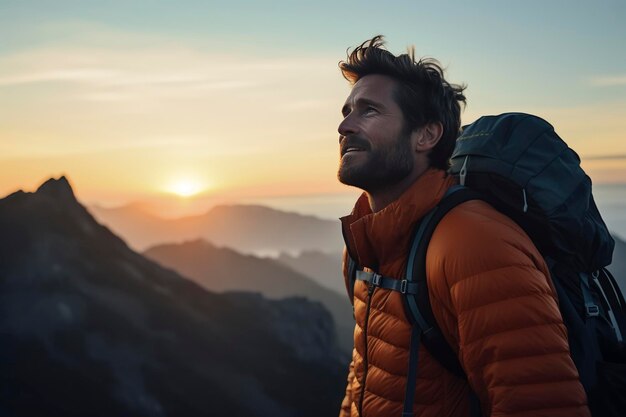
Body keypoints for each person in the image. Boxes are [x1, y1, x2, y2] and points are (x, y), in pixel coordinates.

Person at [336, 36, 590, 417]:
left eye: (368, 111)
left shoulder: (474, 244)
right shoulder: (366, 241)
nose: (344, 125)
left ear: (426, 135)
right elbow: (366, 381)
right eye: (347, 110)